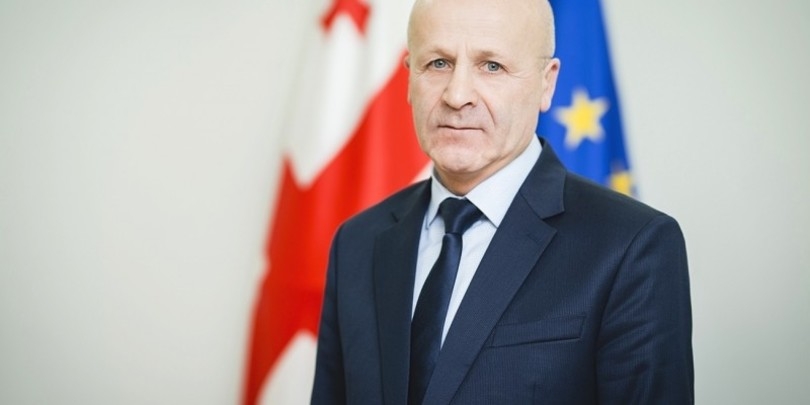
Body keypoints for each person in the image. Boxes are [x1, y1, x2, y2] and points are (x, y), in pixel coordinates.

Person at [311, 0, 694, 403]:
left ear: (547, 84)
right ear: (409, 77)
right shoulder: (357, 243)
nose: (457, 95)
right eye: (438, 63)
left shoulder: (631, 246)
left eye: (491, 66)